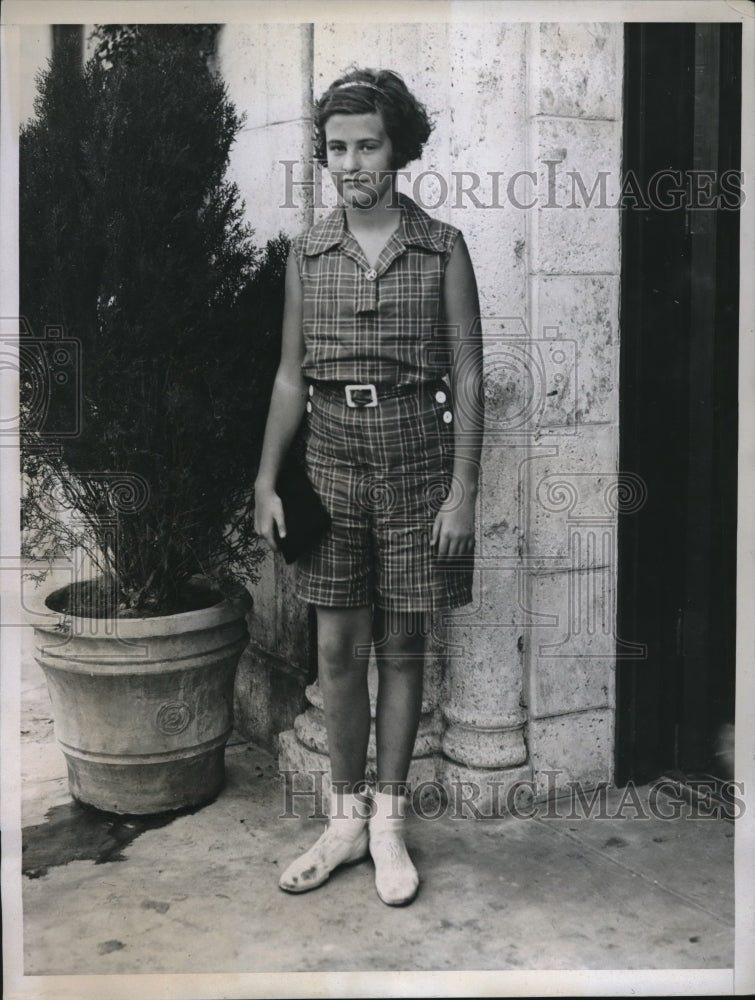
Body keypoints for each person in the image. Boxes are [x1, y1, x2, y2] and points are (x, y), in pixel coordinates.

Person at [254, 67, 483, 906]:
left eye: (368, 145)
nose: (351, 163)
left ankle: (388, 824)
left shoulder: (441, 247)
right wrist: (266, 478)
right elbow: (288, 377)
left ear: (399, 149)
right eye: (337, 148)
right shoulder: (308, 253)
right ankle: (342, 823)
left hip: (418, 461)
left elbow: (467, 377)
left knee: (404, 649)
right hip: (331, 462)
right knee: (336, 652)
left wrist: (461, 492)